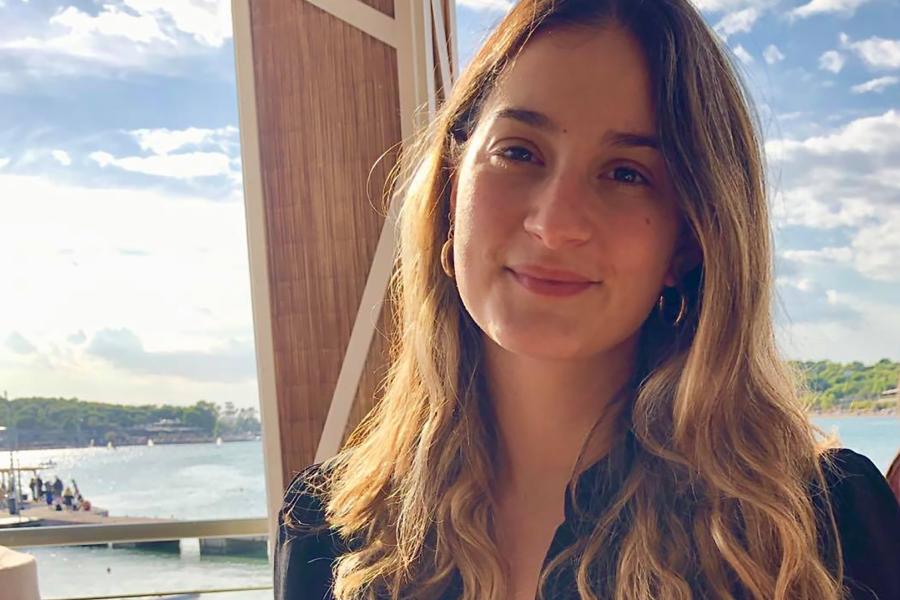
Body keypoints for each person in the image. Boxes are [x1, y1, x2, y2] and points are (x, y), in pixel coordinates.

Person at [274, 1, 900, 599]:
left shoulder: (826, 528)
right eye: (519, 152)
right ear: (449, 190)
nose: (556, 222)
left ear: (689, 243)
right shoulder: (326, 529)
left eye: (627, 173)